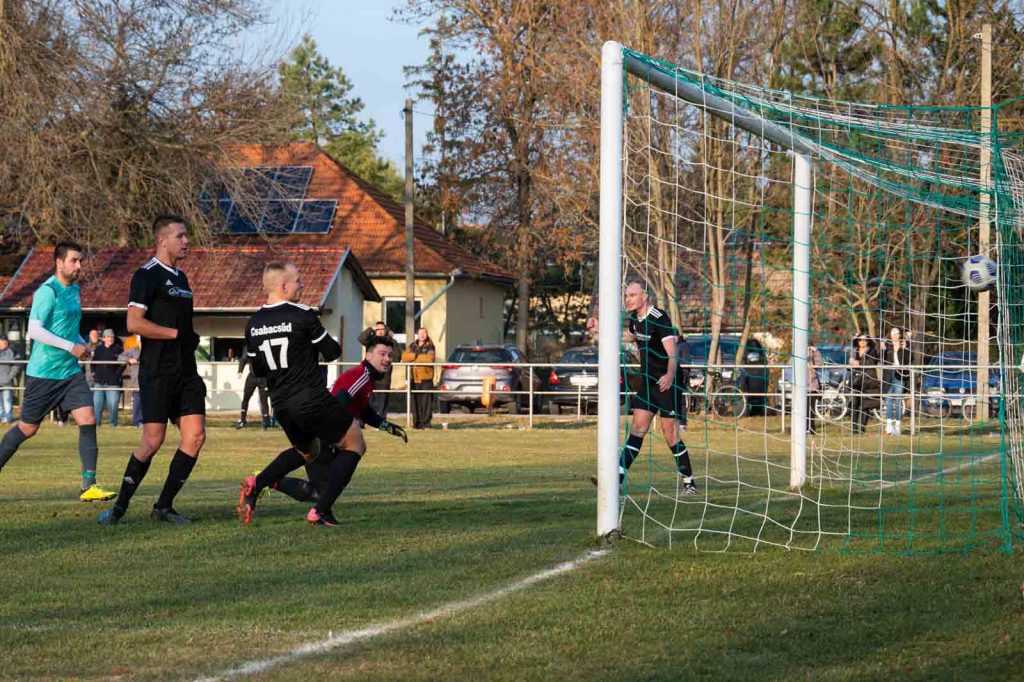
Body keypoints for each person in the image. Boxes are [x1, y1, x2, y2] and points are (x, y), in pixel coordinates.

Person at [237, 262, 406, 527]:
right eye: (298, 281)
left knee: (307, 451)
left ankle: (257, 485)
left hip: (281, 404)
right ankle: (321, 510)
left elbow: (258, 368)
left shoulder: (254, 323)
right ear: (283, 286)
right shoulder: (302, 315)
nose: (302, 285)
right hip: (311, 399)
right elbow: (331, 352)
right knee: (355, 444)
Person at [99, 216, 206, 525]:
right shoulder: (146, 275)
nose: (187, 241)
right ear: (163, 240)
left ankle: (164, 506)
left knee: (195, 436)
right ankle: (119, 507)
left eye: (187, 236)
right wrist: (174, 334)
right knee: (152, 442)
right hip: (157, 372)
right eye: (181, 236)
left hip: (186, 371)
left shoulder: (182, 279)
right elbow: (133, 323)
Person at [0, 242, 116, 501]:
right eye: (74, 261)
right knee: (28, 429)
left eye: (80, 261)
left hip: (70, 373)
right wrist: (69, 346)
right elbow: (35, 331)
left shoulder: (75, 290)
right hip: (44, 374)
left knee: (87, 419)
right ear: (59, 263)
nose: (79, 266)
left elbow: (67, 327)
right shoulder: (47, 291)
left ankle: (89, 486)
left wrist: (79, 344)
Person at [267, 334, 408, 508]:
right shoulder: (361, 376)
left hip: (325, 433)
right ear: (368, 356)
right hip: (323, 435)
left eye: (390, 355)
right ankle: (267, 480)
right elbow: (338, 402)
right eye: (382, 354)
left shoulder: (367, 378)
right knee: (322, 492)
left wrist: (388, 426)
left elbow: (363, 410)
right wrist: (336, 436)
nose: (387, 359)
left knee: (322, 491)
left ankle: (268, 480)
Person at [586, 279, 696, 494]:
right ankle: (615, 479)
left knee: (670, 435)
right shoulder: (635, 320)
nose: (628, 299)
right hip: (648, 383)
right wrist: (600, 329)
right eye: (626, 296)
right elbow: (629, 336)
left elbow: (673, 353)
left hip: (667, 383)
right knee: (637, 430)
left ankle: (689, 482)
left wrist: (669, 375)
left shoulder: (660, 318)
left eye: (632, 295)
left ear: (644, 296)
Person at [358, 321, 394, 419]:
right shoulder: (371, 341)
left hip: (384, 376)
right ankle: (362, 421)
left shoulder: (390, 342)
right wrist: (371, 329)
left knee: (382, 401)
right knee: (365, 399)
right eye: (378, 329)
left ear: (385, 330)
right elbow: (361, 338)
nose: (380, 331)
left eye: (382, 329)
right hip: (370, 375)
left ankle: (381, 422)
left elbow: (397, 355)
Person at [402, 327, 436, 429]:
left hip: (426, 378)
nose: (422, 335)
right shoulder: (413, 345)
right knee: (415, 402)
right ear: (417, 334)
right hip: (413, 377)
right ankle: (417, 424)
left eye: (424, 333)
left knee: (426, 402)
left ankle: (426, 424)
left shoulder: (430, 346)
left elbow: (429, 359)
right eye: (420, 333)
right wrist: (416, 356)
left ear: (427, 334)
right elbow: (404, 357)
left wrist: (413, 358)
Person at [91, 329, 124, 427]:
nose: (110, 339)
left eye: (112, 337)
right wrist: (94, 373)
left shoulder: (119, 349)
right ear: (104, 338)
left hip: (113, 382)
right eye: (109, 337)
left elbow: (122, 365)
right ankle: (96, 425)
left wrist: (117, 375)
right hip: (99, 381)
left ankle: (113, 424)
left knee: (113, 405)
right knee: (97, 405)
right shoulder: (98, 349)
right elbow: (93, 362)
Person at [881, 326, 911, 436]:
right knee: (888, 401)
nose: (895, 335)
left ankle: (897, 427)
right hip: (889, 376)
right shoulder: (887, 347)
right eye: (893, 333)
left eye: (897, 333)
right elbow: (881, 360)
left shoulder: (904, 347)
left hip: (899, 376)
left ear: (900, 335)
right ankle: (889, 426)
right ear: (890, 335)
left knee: (898, 401)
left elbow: (908, 360)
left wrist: (906, 348)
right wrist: (882, 349)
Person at [849, 333, 880, 434]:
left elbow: (873, 362)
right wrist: (851, 363)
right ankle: (854, 428)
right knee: (854, 403)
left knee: (865, 405)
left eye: (865, 340)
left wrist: (859, 363)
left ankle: (862, 428)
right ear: (857, 342)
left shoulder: (872, 351)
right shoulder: (854, 352)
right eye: (860, 340)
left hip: (868, 380)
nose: (862, 342)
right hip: (855, 380)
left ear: (868, 341)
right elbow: (850, 366)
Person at [235, 347, 271, 430]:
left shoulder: (265, 346)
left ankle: (265, 421)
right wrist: (240, 370)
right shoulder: (249, 346)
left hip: (264, 378)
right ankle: (242, 420)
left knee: (263, 400)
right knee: (246, 398)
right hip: (252, 377)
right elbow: (244, 358)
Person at [118, 335, 143, 427]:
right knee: (137, 402)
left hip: (150, 381)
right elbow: (120, 357)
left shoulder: (152, 351)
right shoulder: (133, 350)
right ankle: (137, 421)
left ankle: (147, 421)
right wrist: (129, 360)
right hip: (137, 381)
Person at [0, 335, 22, 425]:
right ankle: (1, 417)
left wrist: (9, 377)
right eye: (2, 340)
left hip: (6, 381)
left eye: (5, 341)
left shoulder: (12, 351)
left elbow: (17, 365)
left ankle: (7, 419)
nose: (5, 342)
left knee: (7, 399)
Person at [806, 344, 824, 434]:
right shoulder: (796, 350)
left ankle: (811, 428)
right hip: (800, 386)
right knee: (802, 409)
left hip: (812, 385)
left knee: (810, 409)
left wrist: (814, 352)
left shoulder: (814, 351)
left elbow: (819, 364)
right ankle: (803, 428)